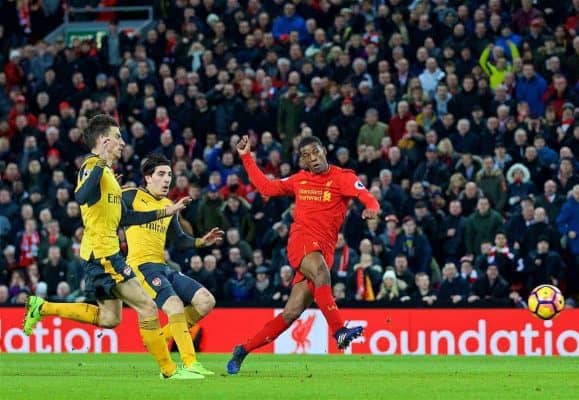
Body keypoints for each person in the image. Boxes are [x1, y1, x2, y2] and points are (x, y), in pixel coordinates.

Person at [22, 115, 196, 380]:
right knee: (148, 307)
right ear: (104, 141)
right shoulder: (92, 166)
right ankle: (170, 371)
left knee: (109, 319)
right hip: (103, 254)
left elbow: (127, 218)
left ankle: (41, 307)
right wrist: (101, 163)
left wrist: (167, 212)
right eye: (117, 137)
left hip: (101, 253)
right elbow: (80, 196)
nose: (122, 142)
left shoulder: (109, 176)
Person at [227, 135, 380, 374]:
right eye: (306, 155)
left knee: (291, 313)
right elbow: (266, 187)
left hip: (323, 251)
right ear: (303, 161)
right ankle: (339, 330)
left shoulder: (343, 177)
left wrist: (372, 208)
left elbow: (366, 196)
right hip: (302, 243)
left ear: (324, 151)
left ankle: (242, 350)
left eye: (315, 152)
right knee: (321, 273)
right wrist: (246, 157)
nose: (313, 158)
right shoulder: (300, 180)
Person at [122, 154, 224, 376]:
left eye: (169, 174)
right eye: (161, 174)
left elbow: (178, 239)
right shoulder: (131, 196)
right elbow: (114, 213)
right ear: (147, 178)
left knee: (206, 301)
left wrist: (200, 241)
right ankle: (189, 364)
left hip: (162, 266)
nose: (167, 179)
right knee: (175, 306)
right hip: (141, 266)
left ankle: (158, 338)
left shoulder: (169, 205)